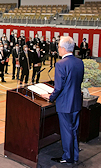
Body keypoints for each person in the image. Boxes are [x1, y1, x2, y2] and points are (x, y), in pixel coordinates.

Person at [42, 36, 84, 164]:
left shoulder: (60, 64)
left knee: (66, 132)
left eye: (59, 47)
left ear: (63, 49)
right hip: (76, 101)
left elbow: (59, 87)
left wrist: (50, 97)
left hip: (65, 104)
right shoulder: (79, 62)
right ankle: (74, 155)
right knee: (74, 130)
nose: (58, 49)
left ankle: (67, 157)